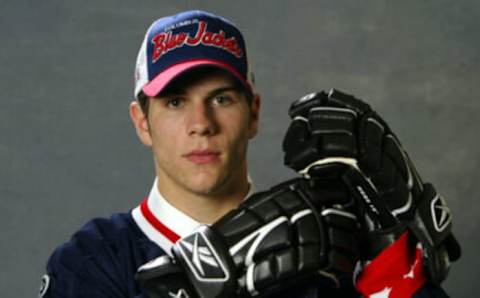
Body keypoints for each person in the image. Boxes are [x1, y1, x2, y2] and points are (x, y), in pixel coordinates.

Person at [40, 10, 460, 298]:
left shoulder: (333, 241)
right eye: (174, 102)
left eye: (221, 99)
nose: (201, 122)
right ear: (141, 121)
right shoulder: (93, 262)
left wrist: (393, 255)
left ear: (254, 113)